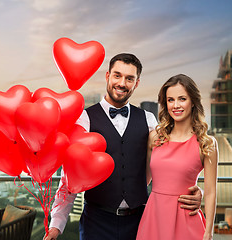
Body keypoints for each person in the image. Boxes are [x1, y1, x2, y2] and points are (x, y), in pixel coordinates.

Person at [44, 54, 203, 240]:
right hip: (96, 222)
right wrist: (56, 224)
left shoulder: (149, 120)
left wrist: (194, 189)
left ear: (136, 83)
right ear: (107, 76)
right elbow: (69, 177)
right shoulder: (84, 119)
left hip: (140, 221)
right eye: (117, 75)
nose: (122, 83)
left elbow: (173, 162)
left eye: (129, 78)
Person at [136, 74, 218, 240]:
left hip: (187, 221)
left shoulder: (207, 143)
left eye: (182, 99)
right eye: (170, 100)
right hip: (154, 219)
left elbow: (211, 193)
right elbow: (143, 180)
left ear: (193, 101)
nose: (176, 105)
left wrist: (208, 233)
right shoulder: (155, 138)